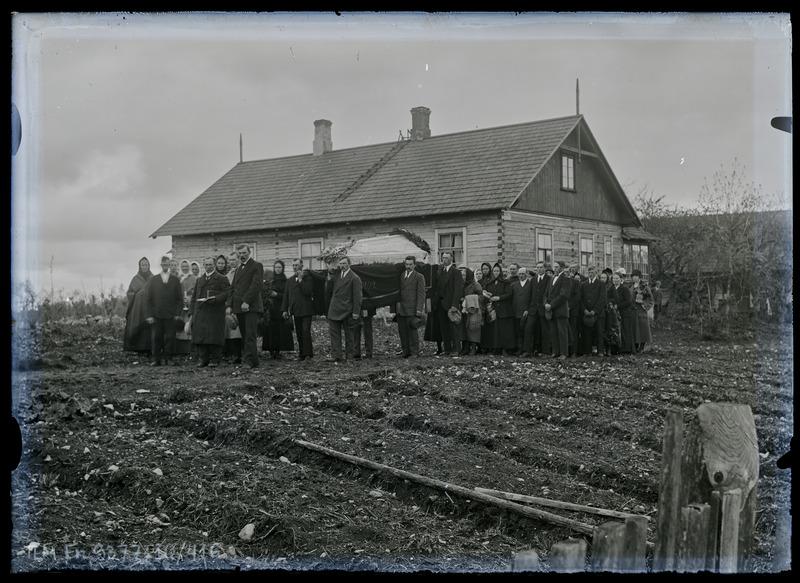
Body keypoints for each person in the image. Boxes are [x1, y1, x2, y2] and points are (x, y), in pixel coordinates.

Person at [187, 256, 231, 367]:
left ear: (214, 265)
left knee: (214, 337)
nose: (208, 267)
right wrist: (191, 312)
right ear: (203, 265)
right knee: (200, 336)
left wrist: (215, 299)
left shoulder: (222, 278)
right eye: (206, 265)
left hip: (215, 313)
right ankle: (203, 359)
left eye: (210, 264)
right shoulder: (200, 280)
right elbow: (194, 297)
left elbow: (227, 293)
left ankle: (215, 360)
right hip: (200, 312)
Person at [226, 243, 264, 369]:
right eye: (240, 253)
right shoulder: (238, 269)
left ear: (249, 252)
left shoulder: (256, 265)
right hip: (239, 307)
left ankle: (248, 361)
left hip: (251, 306)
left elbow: (256, 285)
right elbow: (232, 289)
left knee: (250, 335)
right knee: (244, 335)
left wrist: (247, 301)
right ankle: (254, 361)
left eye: (244, 253)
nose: (242, 255)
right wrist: (229, 305)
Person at [144, 255, 184, 366]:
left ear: (170, 265)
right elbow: (149, 298)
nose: (166, 266)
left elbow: (179, 298)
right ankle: (157, 359)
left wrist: (177, 313)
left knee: (170, 337)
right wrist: (149, 315)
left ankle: (169, 358)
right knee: (157, 338)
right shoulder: (154, 279)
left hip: (171, 315)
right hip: (157, 315)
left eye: (168, 264)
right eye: (164, 264)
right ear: (161, 265)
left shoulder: (175, 280)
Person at [325, 256, 363, 362]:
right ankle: (337, 356)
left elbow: (358, 296)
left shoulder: (355, 278)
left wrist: (356, 312)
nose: (342, 266)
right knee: (334, 334)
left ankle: (350, 356)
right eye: (340, 264)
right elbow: (329, 290)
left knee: (349, 335)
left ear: (349, 264)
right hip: (334, 309)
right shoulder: (336, 276)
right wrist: (329, 279)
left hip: (347, 310)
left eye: (344, 263)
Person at [282, 258, 315, 361]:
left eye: (296, 265)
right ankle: (302, 353)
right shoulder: (290, 281)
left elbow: (308, 292)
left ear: (301, 266)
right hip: (296, 310)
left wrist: (300, 280)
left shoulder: (308, 278)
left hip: (306, 310)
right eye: (293, 265)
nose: (295, 267)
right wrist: (284, 309)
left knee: (305, 331)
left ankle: (308, 354)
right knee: (299, 332)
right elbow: (286, 296)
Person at [262, 260, 294, 359]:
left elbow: (287, 295)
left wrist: (277, 295)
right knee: (270, 330)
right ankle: (271, 350)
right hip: (270, 308)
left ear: (283, 268)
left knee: (279, 330)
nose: (278, 269)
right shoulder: (270, 280)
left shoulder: (286, 281)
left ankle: (278, 351)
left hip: (280, 308)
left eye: (279, 267)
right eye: (276, 267)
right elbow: (265, 292)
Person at [433, 251, 463, 356]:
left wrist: (454, 305)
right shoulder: (441, 271)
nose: (444, 260)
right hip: (440, 303)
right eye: (443, 258)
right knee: (444, 327)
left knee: (453, 327)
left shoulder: (456, 272)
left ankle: (456, 349)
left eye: (446, 258)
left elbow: (458, 290)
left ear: (451, 259)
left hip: (450, 304)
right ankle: (447, 349)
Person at [481, 263, 515, 355]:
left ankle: (504, 349)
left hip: (503, 309)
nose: (496, 273)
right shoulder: (489, 283)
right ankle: (495, 348)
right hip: (493, 309)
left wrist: (499, 298)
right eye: (494, 271)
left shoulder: (505, 282)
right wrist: (486, 294)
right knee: (494, 330)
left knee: (503, 330)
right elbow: (485, 293)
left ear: (500, 272)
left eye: (497, 271)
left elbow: (509, 294)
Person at [397, 255, 427, 358]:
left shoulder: (419, 276)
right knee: (402, 331)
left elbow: (421, 293)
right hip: (401, 308)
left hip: (412, 307)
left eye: (410, 264)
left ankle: (414, 352)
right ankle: (405, 351)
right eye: (406, 264)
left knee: (412, 331)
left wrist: (419, 308)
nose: (408, 266)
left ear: (414, 265)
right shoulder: (401, 275)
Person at [124, 257, 154, 353]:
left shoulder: (153, 278)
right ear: (139, 266)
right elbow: (129, 293)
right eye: (143, 265)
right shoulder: (135, 279)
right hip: (138, 309)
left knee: (150, 327)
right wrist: (138, 295)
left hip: (150, 308)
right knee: (139, 326)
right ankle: (139, 348)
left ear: (149, 266)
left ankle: (150, 348)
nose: (144, 267)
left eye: (146, 265)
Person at [544, 260, 571, 360]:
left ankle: (564, 353)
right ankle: (555, 352)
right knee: (553, 332)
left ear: (562, 268)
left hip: (560, 310)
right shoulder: (551, 279)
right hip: (551, 310)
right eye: (554, 267)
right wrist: (545, 303)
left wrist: (551, 305)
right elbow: (546, 293)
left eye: (557, 267)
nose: (554, 269)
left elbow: (564, 295)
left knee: (562, 332)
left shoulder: (566, 279)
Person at [523, 261, 551, 357]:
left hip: (543, 309)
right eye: (537, 267)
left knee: (545, 330)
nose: (539, 269)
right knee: (528, 329)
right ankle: (527, 350)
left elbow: (549, 294)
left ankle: (545, 351)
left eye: (541, 267)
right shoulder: (533, 280)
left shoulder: (549, 279)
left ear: (545, 269)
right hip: (533, 309)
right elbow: (529, 295)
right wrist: (526, 309)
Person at [219, 253, 243, 363]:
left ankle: (238, 354)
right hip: (229, 304)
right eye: (230, 260)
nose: (231, 262)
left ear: (238, 260)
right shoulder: (228, 275)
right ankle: (231, 353)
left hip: (239, 304)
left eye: (234, 260)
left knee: (238, 331)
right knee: (229, 329)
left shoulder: (241, 272)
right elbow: (227, 290)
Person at [580, 265, 607, 356]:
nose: (590, 274)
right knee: (587, 333)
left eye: (592, 272)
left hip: (598, 313)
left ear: (596, 273)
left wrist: (595, 310)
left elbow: (603, 299)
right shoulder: (583, 284)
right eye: (589, 272)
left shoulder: (601, 284)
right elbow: (580, 299)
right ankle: (588, 351)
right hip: (587, 312)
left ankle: (600, 351)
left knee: (599, 332)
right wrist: (584, 310)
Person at [457, 265, 483, 356]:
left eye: (464, 275)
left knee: (473, 329)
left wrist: (467, 299)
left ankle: (474, 347)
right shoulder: (461, 285)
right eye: (461, 275)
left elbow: (481, 297)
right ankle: (465, 347)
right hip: (464, 310)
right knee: (464, 328)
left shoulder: (476, 285)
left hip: (473, 310)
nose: (462, 277)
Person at [630, 269, 653, 353]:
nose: (634, 278)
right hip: (633, 311)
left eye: (636, 276)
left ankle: (642, 346)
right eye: (633, 276)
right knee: (634, 329)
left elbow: (650, 299)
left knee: (643, 329)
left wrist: (643, 302)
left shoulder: (644, 287)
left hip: (641, 310)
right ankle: (635, 346)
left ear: (639, 277)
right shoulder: (631, 287)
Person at [511, 266, 533, 356]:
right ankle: (519, 348)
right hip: (516, 311)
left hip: (526, 311)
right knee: (518, 331)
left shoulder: (531, 284)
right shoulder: (514, 285)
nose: (521, 276)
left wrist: (527, 309)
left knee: (526, 331)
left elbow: (532, 298)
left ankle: (527, 349)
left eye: (523, 274)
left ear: (526, 274)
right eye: (519, 274)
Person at [612, 272, 633, 354]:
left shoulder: (624, 289)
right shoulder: (611, 289)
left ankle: (625, 348)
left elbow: (629, 301)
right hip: (613, 313)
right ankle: (615, 348)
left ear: (621, 279)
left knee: (624, 330)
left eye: (617, 278)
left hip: (623, 312)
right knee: (614, 330)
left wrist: (618, 306)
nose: (615, 280)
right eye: (614, 278)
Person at [600, 271, 621, 355]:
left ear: (607, 278)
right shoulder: (598, 286)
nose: (603, 279)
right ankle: (600, 348)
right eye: (601, 278)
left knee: (609, 328)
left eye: (604, 278)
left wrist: (607, 301)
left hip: (608, 311)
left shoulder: (611, 287)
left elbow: (616, 298)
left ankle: (609, 348)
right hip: (599, 309)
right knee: (600, 329)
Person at [568, 272, 583, 357]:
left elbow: (577, 296)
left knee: (573, 331)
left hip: (573, 311)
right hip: (563, 310)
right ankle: (567, 350)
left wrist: (569, 306)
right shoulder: (562, 281)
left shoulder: (575, 283)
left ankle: (574, 351)